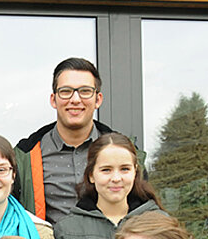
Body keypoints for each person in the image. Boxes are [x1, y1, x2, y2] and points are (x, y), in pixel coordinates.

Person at [14, 57, 138, 226]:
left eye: (85, 91)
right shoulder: (25, 157)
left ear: (98, 99)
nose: (75, 99)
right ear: (53, 99)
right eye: (66, 91)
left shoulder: (124, 154)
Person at [54, 133, 164, 239]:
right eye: (106, 170)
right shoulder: (67, 230)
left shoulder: (160, 223)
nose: (116, 178)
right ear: (91, 175)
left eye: (125, 169)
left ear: (135, 172)